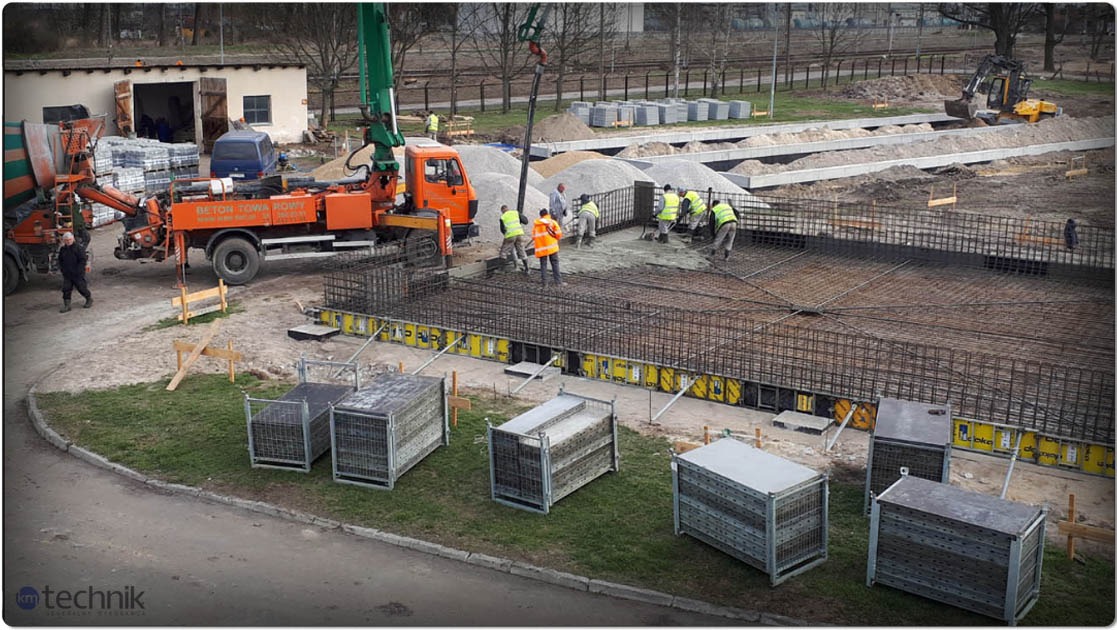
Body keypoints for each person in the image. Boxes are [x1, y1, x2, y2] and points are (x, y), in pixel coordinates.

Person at [57, 231, 92, 312]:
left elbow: (82, 260)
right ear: (64, 241)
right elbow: (60, 260)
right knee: (66, 289)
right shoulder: (63, 250)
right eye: (66, 240)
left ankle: (89, 299)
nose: (68, 241)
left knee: (81, 287)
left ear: (73, 239)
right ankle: (67, 305)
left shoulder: (78, 248)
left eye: (69, 240)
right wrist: (63, 270)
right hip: (67, 274)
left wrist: (79, 271)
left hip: (77, 273)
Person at [532, 208, 563, 286]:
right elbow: (559, 234)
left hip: (541, 249)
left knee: (543, 265)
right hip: (552, 247)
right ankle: (558, 282)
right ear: (547, 214)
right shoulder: (552, 222)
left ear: (540, 216)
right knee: (555, 263)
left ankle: (545, 283)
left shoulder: (536, 225)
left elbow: (533, 237)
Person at [498, 204, 529, 274]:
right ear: (508, 209)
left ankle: (501, 270)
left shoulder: (503, 217)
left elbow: (502, 230)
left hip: (510, 235)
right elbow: (526, 221)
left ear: (502, 211)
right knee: (521, 251)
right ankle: (527, 269)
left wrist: (507, 237)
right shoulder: (515, 213)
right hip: (519, 234)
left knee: (503, 252)